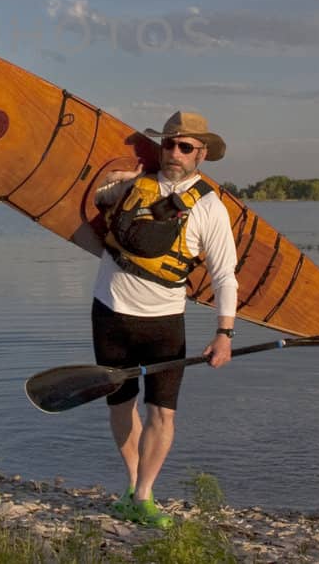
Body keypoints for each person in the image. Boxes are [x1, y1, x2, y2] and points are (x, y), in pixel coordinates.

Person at [91, 111, 238, 529]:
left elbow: (225, 274)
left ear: (201, 155)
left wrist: (224, 333)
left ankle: (143, 494)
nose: (175, 152)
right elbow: (93, 202)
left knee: (162, 413)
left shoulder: (210, 207)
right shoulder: (130, 185)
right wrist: (112, 181)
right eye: (169, 144)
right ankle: (135, 485)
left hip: (163, 321)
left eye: (186, 146)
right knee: (120, 404)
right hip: (109, 312)